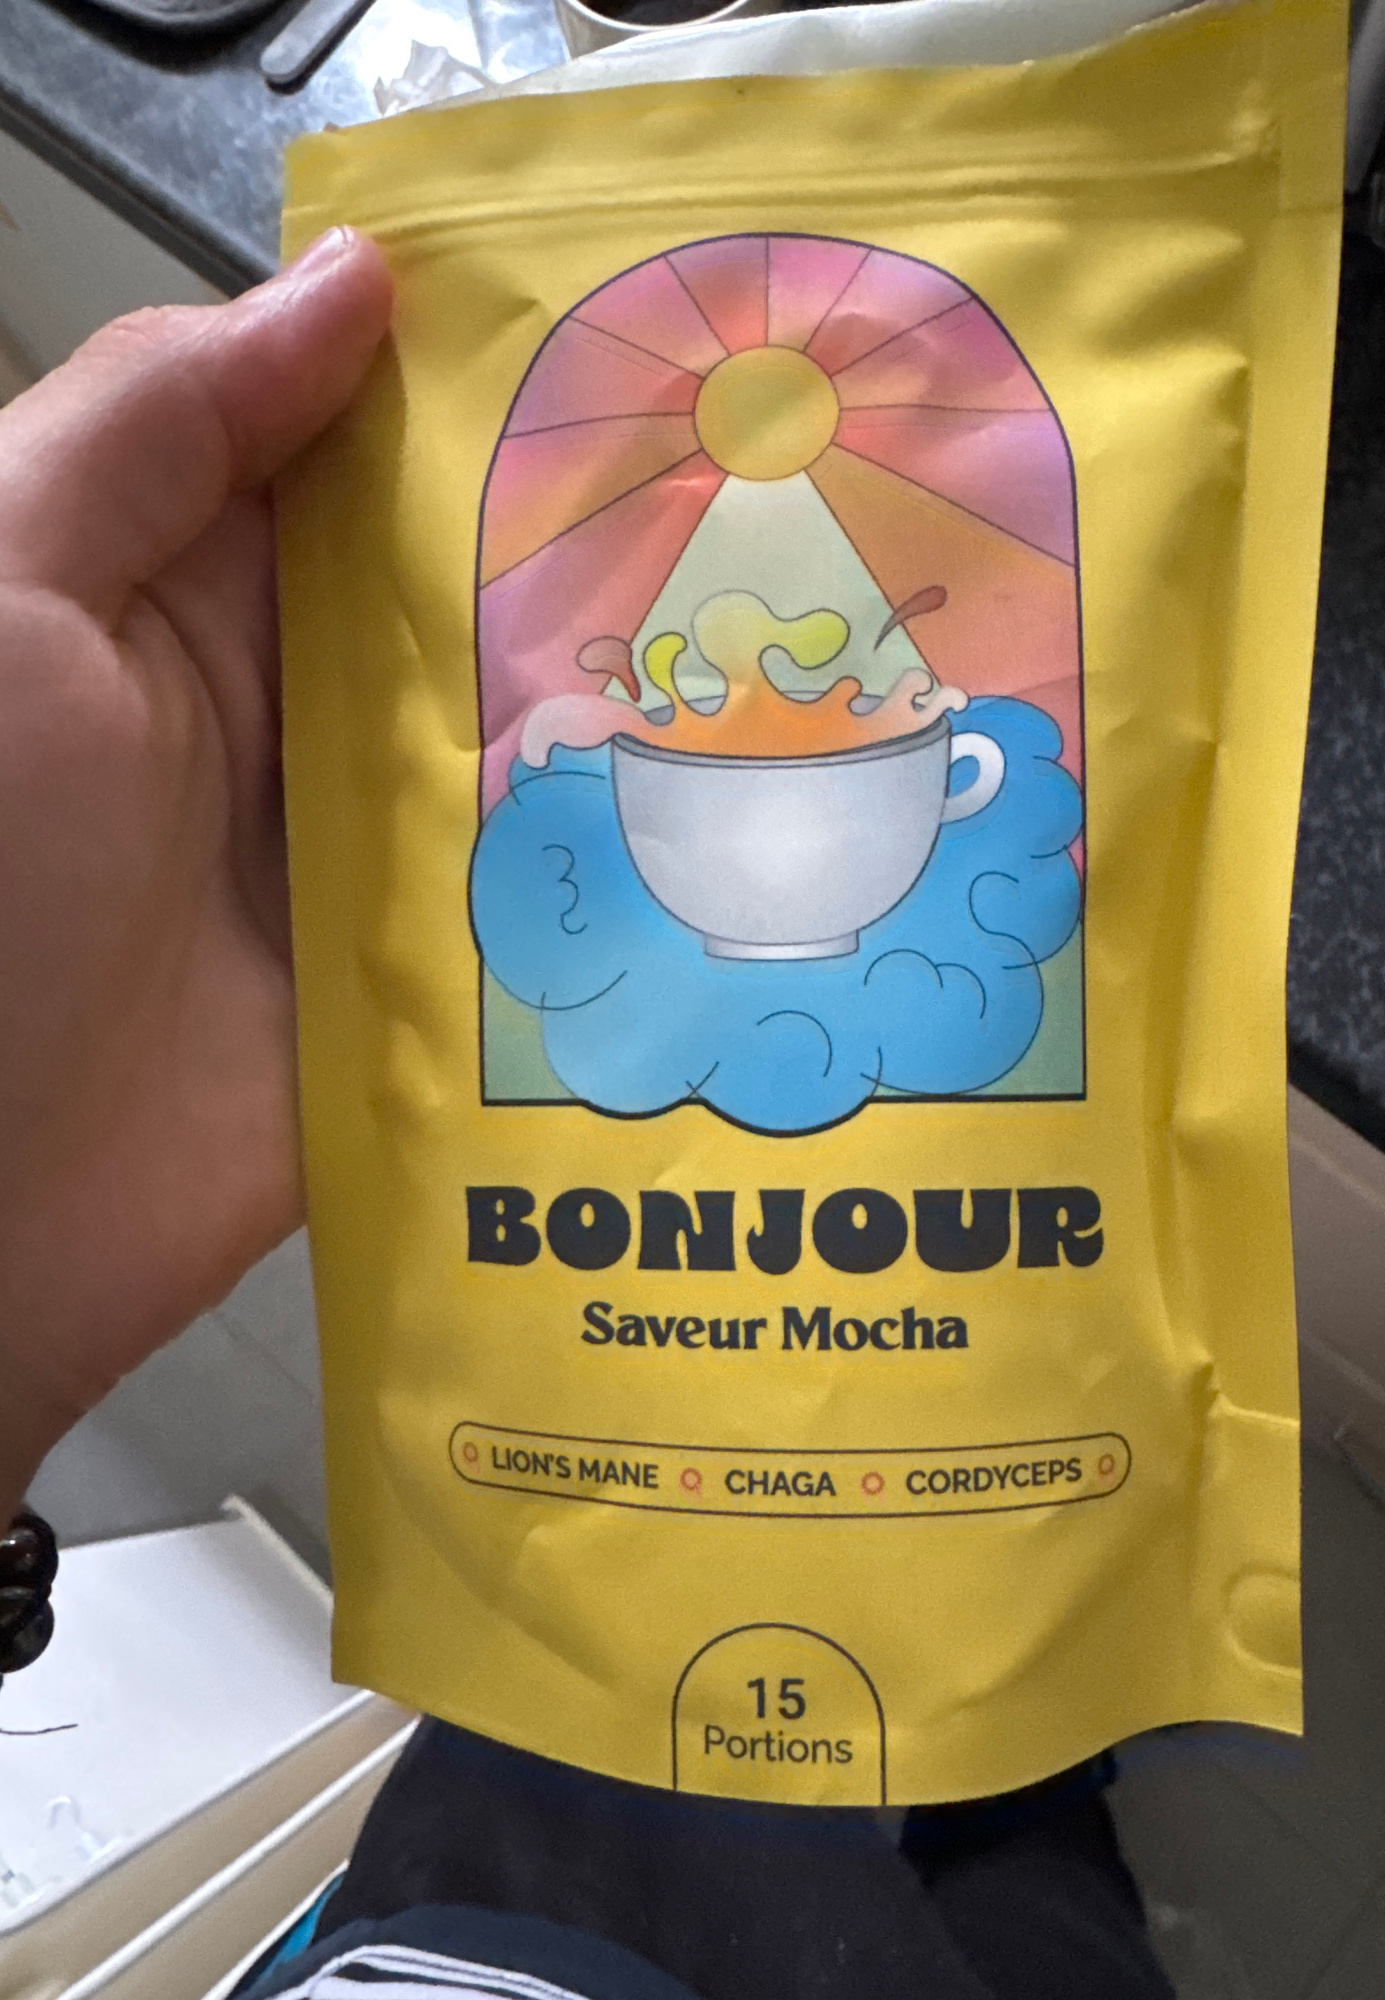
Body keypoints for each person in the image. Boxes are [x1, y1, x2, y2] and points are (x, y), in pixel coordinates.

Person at [0, 233, 1174, 2000]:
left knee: (577, 1712)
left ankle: (1017, 1723)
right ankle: (1028, 1751)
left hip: (473, 1896)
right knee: (1038, 1878)